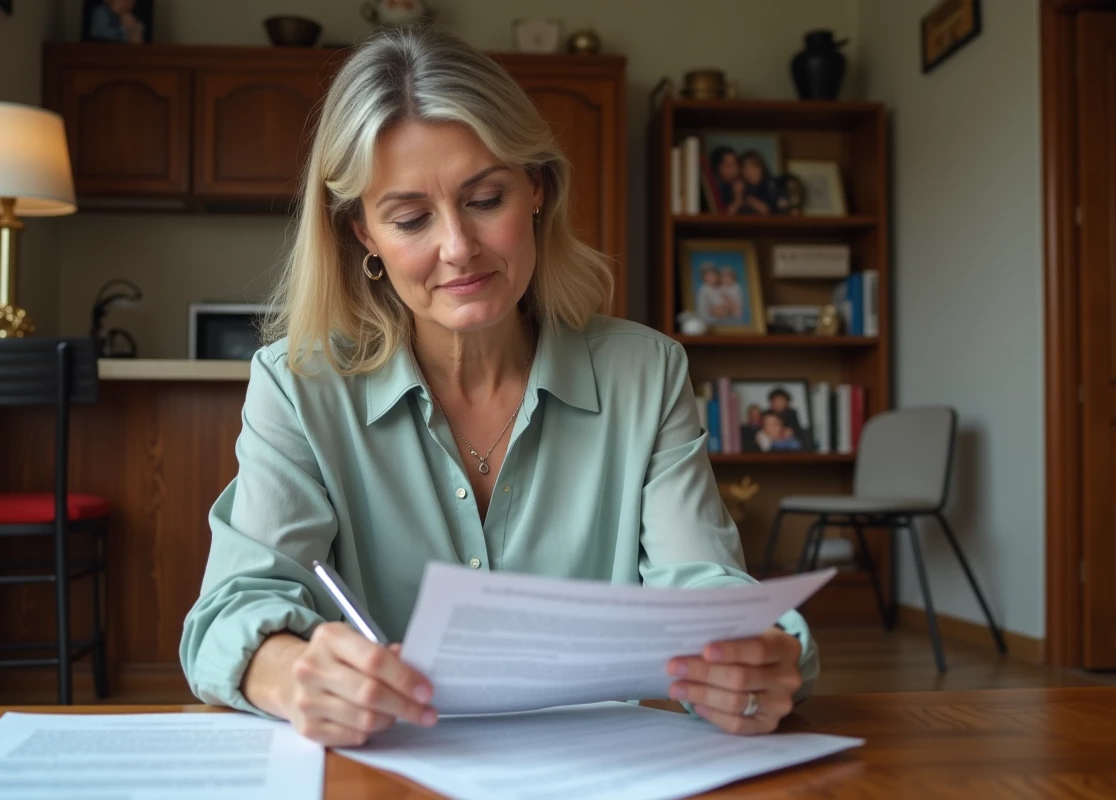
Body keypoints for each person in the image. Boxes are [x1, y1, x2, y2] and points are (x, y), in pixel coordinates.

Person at [180, 24, 818, 749]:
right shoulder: (299, 387)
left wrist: (760, 655)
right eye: (411, 218)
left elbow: (702, 583)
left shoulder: (647, 373)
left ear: (537, 188)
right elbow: (232, 610)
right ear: (364, 234)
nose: (458, 248)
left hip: (603, 775)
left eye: (485, 199)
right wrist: (291, 673)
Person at [737, 151, 775, 215]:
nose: (749, 172)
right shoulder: (742, 187)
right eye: (745, 168)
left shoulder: (771, 186)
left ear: (761, 168)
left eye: (753, 167)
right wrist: (738, 195)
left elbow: (770, 210)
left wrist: (752, 201)